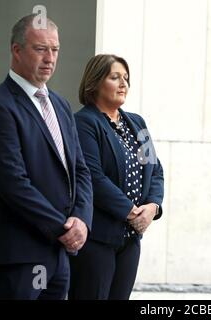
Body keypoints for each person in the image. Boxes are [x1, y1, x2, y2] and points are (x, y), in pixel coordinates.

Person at [0, 14, 93, 300]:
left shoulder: (61, 105)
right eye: (41, 49)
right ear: (17, 50)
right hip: (18, 254)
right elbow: (13, 183)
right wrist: (62, 227)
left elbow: (80, 170)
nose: (50, 57)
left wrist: (82, 220)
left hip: (59, 255)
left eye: (55, 49)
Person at [69, 54, 164, 300]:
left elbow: (155, 170)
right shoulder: (84, 123)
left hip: (131, 240)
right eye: (115, 77)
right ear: (95, 83)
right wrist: (133, 213)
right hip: (98, 239)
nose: (123, 84)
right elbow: (93, 177)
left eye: (126, 78)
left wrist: (152, 207)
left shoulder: (136, 122)